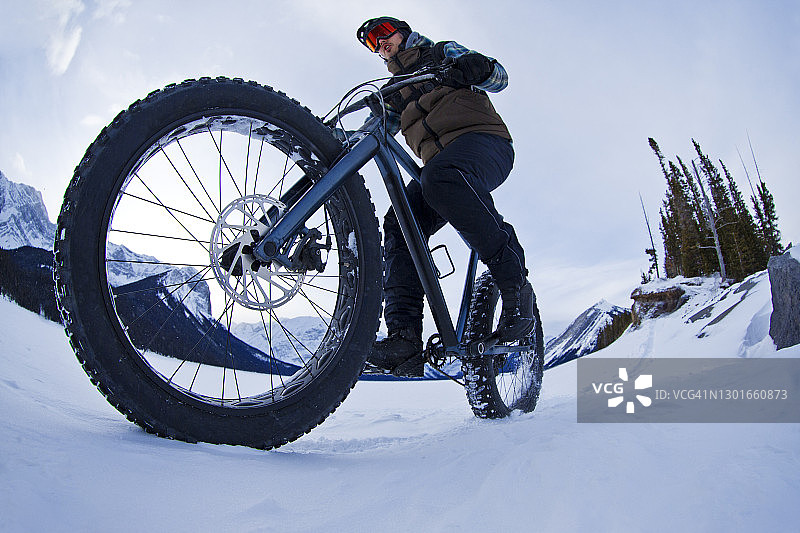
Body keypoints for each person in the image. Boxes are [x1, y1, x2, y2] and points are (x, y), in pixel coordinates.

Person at [354, 17, 534, 377]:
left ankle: (515, 286)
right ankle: (404, 338)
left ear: (402, 31)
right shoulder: (394, 92)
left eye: (383, 32)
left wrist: (475, 68)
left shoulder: (440, 54)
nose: (380, 42)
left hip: (486, 144)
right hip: (441, 169)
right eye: (373, 42)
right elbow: (374, 131)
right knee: (401, 221)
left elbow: (499, 77)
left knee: (439, 178)